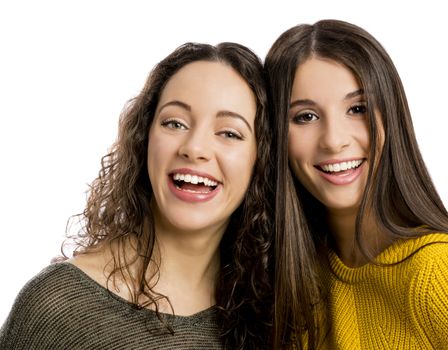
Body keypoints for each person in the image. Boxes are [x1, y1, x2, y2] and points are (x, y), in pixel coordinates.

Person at [265, 19, 448, 349]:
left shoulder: (440, 277)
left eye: (357, 108)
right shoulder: (298, 278)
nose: (333, 140)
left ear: (392, 117)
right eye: (305, 116)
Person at [0, 42, 273, 349]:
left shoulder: (271, 315)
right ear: (145, 138)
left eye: (229, 133)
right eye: (175, 123)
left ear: (260, 160)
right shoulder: (57, 305)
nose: (194, 148)